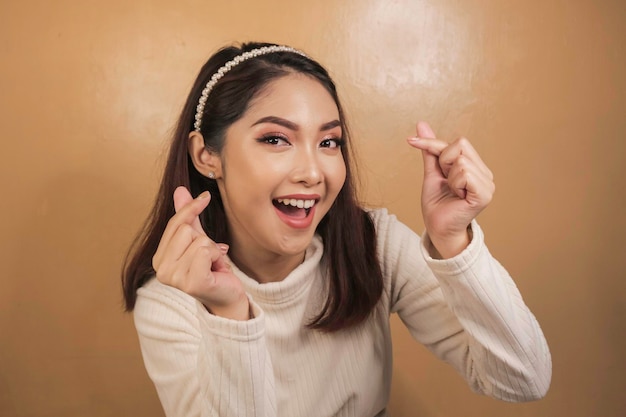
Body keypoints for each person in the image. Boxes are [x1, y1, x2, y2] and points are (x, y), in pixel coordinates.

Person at [121, 42, 551, 417]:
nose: (313, 172)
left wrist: (455, 243)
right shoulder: (168, 302)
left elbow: (524, 380)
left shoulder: (373, 244)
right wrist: (231, 315)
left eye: (329, 142)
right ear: (206, 156)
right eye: (275, 139)